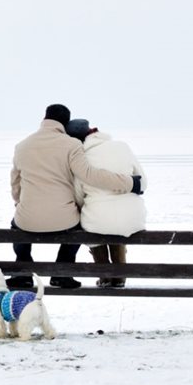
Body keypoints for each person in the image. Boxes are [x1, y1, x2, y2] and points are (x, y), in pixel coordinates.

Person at [9, 104, 139, 289]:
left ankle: (22, 272)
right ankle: (62, 272)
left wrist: (19, 204)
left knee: (16, 225)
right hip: (64, 221)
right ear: (65, 123)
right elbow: (89, 175)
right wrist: (130, 183)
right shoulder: (72, 145)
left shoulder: (22, 146)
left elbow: (16, 184)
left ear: (45, 118)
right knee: (79, 225)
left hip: (27, 219)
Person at [66, 118, 147, 287]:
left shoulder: (81, 159)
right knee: (117, 224)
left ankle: (105, 275)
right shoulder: (122, 147)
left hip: (97, 220)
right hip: (132, 217)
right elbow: (143, 182)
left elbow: (78, 196)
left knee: (95, 223)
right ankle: (119, 276)